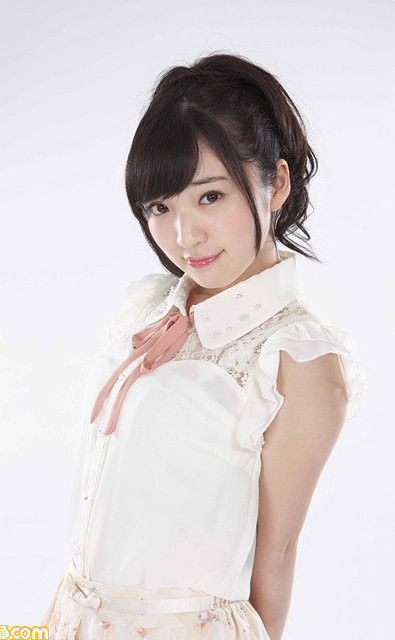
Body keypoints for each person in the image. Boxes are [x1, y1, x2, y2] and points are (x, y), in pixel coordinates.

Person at [40, 52, 368, 640]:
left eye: (210, 197)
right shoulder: (149, 306)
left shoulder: (298, 362)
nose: (183, 235)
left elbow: (276, 555)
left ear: (277, 184)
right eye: (160, 207)